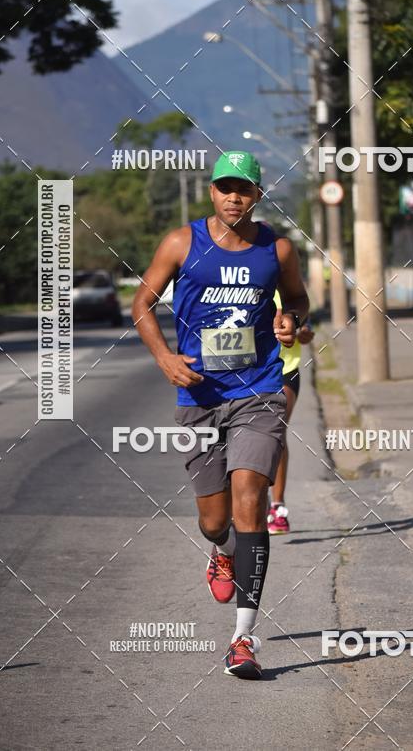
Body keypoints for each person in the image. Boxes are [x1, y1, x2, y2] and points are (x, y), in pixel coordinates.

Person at [132, 150, 309, 680]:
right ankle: (223, 551)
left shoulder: (276, 248)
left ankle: (243, 639)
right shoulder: (181, 243)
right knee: (215, 522)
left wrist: (290, 320)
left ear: (258, 195)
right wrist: (164, 357)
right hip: (201, 398)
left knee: (250, 499)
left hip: (259, 392)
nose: (234, 196)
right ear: (211, 191)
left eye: (245, 188)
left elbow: (298, 300)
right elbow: (142, 303)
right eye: (225, 187)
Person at [267, 289, 314, 535]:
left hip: (286, 368)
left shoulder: (287, 286)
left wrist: (302, 332)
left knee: (276, 430)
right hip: (248, 371)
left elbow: (306, 328)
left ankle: (277, 505)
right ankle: (254, 493)